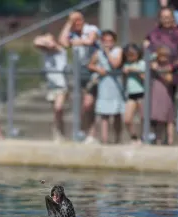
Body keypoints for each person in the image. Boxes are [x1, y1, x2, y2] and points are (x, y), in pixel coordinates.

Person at [58, 11, 100, 142]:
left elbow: (90, 41)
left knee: (89, 104)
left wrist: (75, 42)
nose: (76, 23)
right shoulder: (72, 32)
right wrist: (69, 23)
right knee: (80, 105)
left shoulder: (91, 28)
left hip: (91, 69)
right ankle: (83, 131)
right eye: (73, 21)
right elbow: (63, 42)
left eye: (78, 20)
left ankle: (90, 133)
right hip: (78, 71)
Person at [86, 30, 125, 144]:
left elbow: (115, 64)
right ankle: (105, 140)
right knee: (104, 115)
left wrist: (107, 53)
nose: (108, 43)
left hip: (116, 86)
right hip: (104, 85)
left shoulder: (118, 51)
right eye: (105, 41)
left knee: (117, 114)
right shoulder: (98, 53)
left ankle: (118, 139)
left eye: (110, 41)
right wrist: (98, 69)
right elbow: (90, 65)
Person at [33, 31, 68, 142]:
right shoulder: (45, 53)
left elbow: (53, 45)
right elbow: (36, 42)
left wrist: (49, 40)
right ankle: (59, 132)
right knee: (57, 112)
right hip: (51, 85)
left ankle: (58, 131)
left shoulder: (61, 51)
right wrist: (45, 39)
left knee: (59, 108)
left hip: (61, 84)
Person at [149, 45, 176, 145]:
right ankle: (158, 139)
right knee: (157, 118)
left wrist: (159, 71)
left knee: (168, 118)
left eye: (165, 56)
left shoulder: (170, 66)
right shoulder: (153, 64)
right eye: (161, 56)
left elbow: (169, 79)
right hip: (155, 93)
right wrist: (153, 61)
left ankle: (170, 140)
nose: (163, 58)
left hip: (165, 93)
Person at [122, 43, 146, 144]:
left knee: (143, 117)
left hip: (142, 93)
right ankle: (134, 137)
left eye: (133, 54)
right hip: (131, 94)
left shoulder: (142, 63)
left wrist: (134, 70)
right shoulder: (126, 64)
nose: (130, 56)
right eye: (128, 54)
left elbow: (145, 77)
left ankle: (143, 137)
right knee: (127, 119)